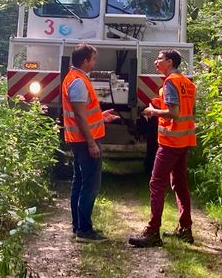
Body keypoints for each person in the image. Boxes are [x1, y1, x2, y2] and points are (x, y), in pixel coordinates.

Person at [128, 49, 197, 247]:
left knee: (157, 184)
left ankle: (152, 232)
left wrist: (153, 111)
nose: (156, 62)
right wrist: (161, 104)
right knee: (180, 185)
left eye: (159, 59)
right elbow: (185, 110)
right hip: (184, 141)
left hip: (170, 143)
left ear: (169, 62)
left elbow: (174, 113)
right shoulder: (187, 83)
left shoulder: (170, 82)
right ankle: (185, 229)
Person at [62, 43, 119, 243]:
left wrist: (100, 116)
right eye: (93, 59)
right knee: (90, 185)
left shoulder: (76, 78)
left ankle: (78, 226)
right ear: (85, 60)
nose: (95, 62)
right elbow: (78, 114)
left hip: (78, 140)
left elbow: (83, 112)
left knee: (79, 182)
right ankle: (84, 231)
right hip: (84, 141)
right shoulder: (78, 81)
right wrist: (91, 143)